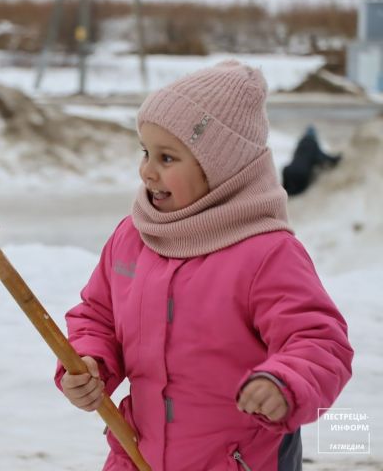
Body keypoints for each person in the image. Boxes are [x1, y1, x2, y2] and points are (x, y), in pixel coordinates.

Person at [54, 60, 353, 471]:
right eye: (146, 152)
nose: (147, 171)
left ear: (221, 170)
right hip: (139, 457)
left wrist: (284, 384)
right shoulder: (133, 237)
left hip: (238, 460)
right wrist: (91, 362)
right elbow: (97, 316)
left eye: (167, 158)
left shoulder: (264, 253)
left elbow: (319, 342)